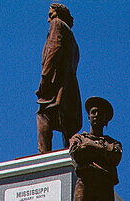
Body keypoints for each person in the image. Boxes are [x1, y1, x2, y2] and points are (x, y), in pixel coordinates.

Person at [36, 3, 81, 154]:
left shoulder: (57, 25)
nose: (49, 20)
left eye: (51, 15)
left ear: (58, 14)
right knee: (66, 122)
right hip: (69, 86)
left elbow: (53, 50)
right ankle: (70, 154)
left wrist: (45, 78)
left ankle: (43, 155)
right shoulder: (73, 39)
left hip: (56, 82)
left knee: (44, 114)